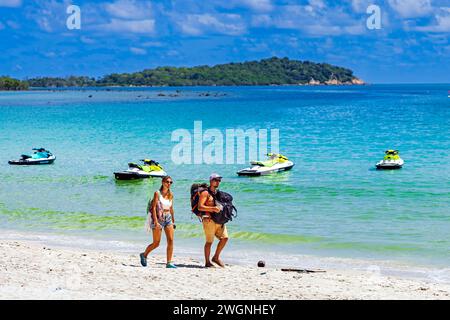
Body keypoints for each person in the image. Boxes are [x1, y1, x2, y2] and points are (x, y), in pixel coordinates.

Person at [140, 176, 176, 268]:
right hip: (158, 218)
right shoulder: (157, 193)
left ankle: (169, 262)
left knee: (171, 240)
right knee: (156, 243)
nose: (169, 184)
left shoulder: (171, 194)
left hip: (168, 218)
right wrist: (156, 221)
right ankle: (144, 254)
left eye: (170, 182)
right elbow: (154, 207)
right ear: (163, 182)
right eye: (167, 182)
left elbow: (171, 208)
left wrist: (173, 220)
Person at [198, 173, 229, 268]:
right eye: (216, 180)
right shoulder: (205, 193)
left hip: (219, 220)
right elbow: (200, 207)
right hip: (208, 220)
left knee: (225, 238)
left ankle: (216, 257)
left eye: (219, 180)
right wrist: (213, 209)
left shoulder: (217, 193)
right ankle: (207, 262)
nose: (218, 182)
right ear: (211, 181)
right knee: (209, 242)